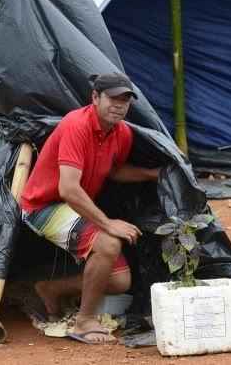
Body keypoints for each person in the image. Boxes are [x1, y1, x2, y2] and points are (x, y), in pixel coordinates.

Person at [20, 72, 160, 344]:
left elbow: (114, 171)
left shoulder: (122, 133)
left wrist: (152, 174)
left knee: (120, 282)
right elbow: (68, 189)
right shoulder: (76, 125)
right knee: (108, 243)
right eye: (113, 98)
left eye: (125, 100)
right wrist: (108, 224)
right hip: (43, 206)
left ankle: (50, 289)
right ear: (95, 97)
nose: (119, 105)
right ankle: (84, 322)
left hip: (73, 207)